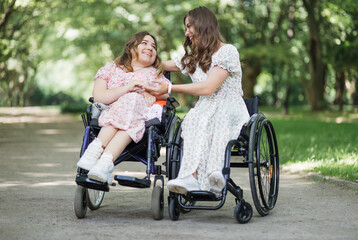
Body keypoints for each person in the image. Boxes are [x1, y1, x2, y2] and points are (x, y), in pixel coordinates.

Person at [145, 6, 250, 195]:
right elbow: (161, 65)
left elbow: (208, 88)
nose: (186, 33)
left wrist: (170, 88)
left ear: (202, 25)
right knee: (192, 119)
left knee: (216, 117)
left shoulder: (227, 51)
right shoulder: (193, 58)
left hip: (230, 106)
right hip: (205, 107)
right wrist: (138, 58)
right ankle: (190, 177)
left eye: (188, 27)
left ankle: (214, 173)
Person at [77, 31, 170, 184]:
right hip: (112, 113)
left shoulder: (155, 74)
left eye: (154, 46)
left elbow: (167, 92)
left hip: (140, 117)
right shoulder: (111, 68)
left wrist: (149, 91)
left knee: (133, 100)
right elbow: (99, 97)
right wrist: (128, 88)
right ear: (131, 48)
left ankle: (98, 152)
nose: (151, 48)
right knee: (130, 99)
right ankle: (104, 162)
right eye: (144, 43)